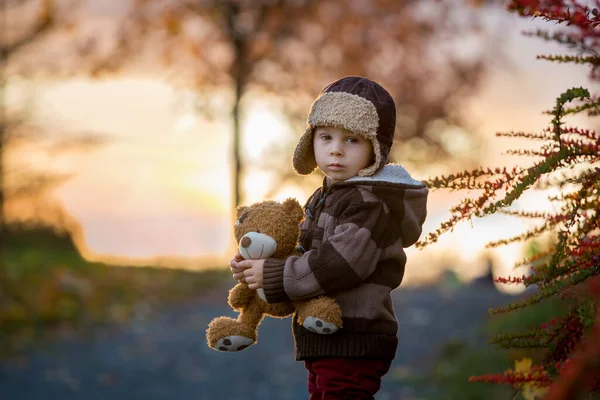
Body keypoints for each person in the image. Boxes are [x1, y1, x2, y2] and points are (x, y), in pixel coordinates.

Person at [230, 76, 429, 399]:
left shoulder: (369, 203)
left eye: (352, 140)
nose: (336, 149)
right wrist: (260, 266)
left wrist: (276, 275)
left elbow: (339, 262)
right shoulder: (326, 195)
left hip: (355, 333)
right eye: (326, 137)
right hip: (324, 333)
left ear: (375, 151)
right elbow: (305, 251)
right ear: (311, 142)